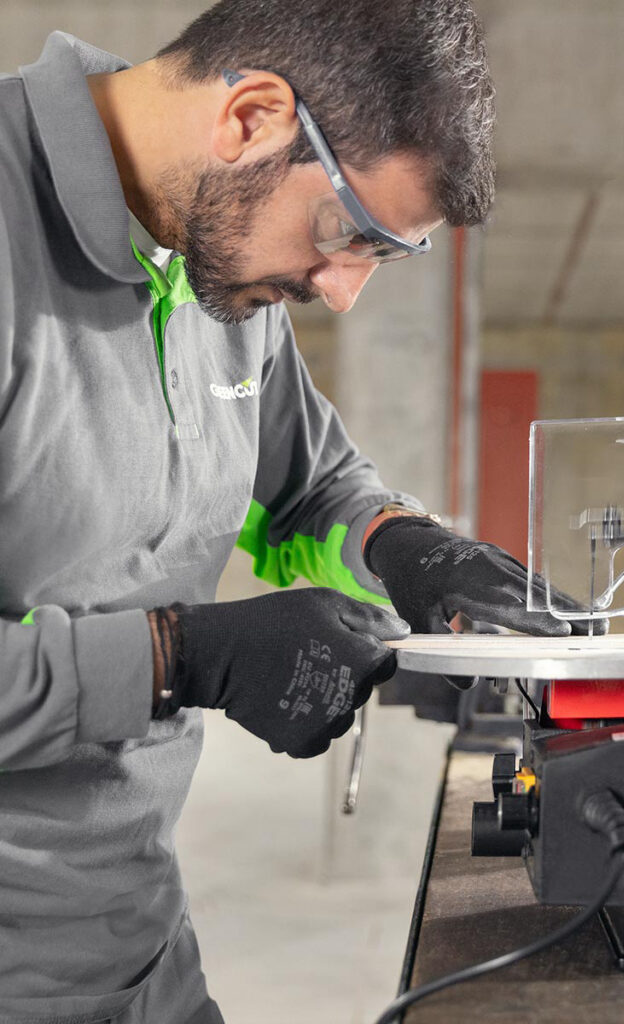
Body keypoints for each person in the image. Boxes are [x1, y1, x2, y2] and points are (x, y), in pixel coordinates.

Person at [0, 2, 583, 1020]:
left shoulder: (209, 257)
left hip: (129, 944)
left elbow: (306, 491)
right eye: (343, 233)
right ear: (251, 119)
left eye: (379, 256)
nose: (343, 291)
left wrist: (406, 549)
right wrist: (179, 656)